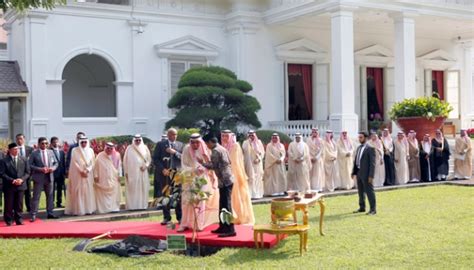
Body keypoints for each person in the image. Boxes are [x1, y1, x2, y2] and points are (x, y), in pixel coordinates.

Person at [179, 133, 219, 232]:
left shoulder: (205, 149)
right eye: (193, 143)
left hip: (203, 178)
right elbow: (183, 165)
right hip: (189, 178)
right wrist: (193, 170)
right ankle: (184, 223)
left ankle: (199, 223)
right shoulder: (186, 149)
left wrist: (203, 168)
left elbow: (210, 164)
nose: (195, 145)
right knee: (186, 201)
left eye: (197, 143)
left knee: (201, 199)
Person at [201, 134, 236, 238]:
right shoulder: (222, 148)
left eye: (206, 143)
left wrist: (202, 163)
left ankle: (230, 229)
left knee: (226, 206)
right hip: (227, 179)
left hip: (224, 181)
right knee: (222, 205)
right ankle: (222, 226)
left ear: (210, 142)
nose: (207, 146)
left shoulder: (215, 151)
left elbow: (213, 165)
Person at [221, 130, 254, 225]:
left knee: (236, 194)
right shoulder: (222, 147)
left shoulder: (235, 146)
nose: (224, 138)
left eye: (226, 136)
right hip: (225, 174)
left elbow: (235, 161)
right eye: (223, 136)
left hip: (234, 174)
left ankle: (238, 216)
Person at [153, 128, 184, 225]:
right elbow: (155, 159)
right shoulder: (161, 144)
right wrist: (163, 169)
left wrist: (174, 152)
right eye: (172, 134)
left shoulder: (180, 145)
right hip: (165, 174)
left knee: (178, 195)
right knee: (166, 195)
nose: (174, 136)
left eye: (175, 135)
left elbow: (184, 157)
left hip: (177, 174)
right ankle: (166, 217)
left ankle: (180, 217)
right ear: (168, 135)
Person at [29, 137, 58, 222]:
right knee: (36, 197)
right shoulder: (34, 153)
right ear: (38, 144)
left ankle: (50, 213)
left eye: (46, 143)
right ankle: (33, 214)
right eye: (42, 143)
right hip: (39, 178)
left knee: (50, 196)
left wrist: (52, 168)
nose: (44, 145)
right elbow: (29, 165)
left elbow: (56, 163)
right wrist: (40, 169)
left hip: (49, 177)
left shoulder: (51, 152)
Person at [65, 136, 96, 216]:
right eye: (82, 142)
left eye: (85, 142)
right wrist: (81, 171)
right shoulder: (75, 150)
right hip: (78, 174)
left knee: (88, 191)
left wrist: (88, 170)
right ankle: (79, 210)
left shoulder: (90, 150)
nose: (84, 144)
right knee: (79, 191)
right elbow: (74, 162)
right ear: (79, 142)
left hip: (88, 175)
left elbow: (93, 162)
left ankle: (88, 209)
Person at [0, 143, 30, 226]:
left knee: (19, 204)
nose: (16, 150)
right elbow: (2, 173)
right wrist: (12, 180)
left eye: (17, 149)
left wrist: (22, 179)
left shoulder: (24, 159)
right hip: (9, 186)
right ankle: (9, 220)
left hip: (21, 185)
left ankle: (19, 220)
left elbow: (28, 172)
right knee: (9, 204)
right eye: (14, 149)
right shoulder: (4, 161)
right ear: (10, 150)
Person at [123, 135, 152, 210]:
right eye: (136, 140)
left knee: (142, 189)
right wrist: (126, 172)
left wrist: (145, 166)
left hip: (143, 172)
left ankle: (142, 206)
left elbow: (149, 159)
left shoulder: (145, 148)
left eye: (139, 140)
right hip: (132, 174)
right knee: (133, 189)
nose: (138, 142)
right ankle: (133, 207)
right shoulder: (129, 148)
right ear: (134, 140)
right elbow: (125, 161)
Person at [352, 132, 376, 215]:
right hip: (359, 172)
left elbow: (372, 164)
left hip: (366, 174)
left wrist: (371, 175)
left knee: (369, 191)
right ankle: (362, 207)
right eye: (359, 137)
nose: (359, 139)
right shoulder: (358, 148)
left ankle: (373, 209)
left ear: (366, 138)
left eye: (361, 137)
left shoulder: (370, 148)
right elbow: (356, 160)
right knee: (360, 191)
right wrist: (354, 172)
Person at [94, 142, 122, 214]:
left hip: (113, 178)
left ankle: (114, 208)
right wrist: (96, 175)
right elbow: (96, 167)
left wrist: (120, 175)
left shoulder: (116, 155)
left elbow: (119, 166)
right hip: (103, 178)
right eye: (107, 148)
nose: (109, 150)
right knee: (103, 194)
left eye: (111, 148)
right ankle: (104, 208)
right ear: (105, 148)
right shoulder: (100, 156)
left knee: (114, 194)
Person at [242, 130, 265, 199]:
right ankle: (250, 194)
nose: (251, 137)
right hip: (249, 164)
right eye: (250, 135)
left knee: (258, 178)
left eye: (252, 135)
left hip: (257, 164)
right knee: (250, 178)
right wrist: (249, 143)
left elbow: (262, 152)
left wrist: (259, 159)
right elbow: (244, 151)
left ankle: (257, 194)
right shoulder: (245, 143)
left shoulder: (259, 142)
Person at [16, 133, 33, 212]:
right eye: (18, 139)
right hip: (18, 174)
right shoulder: (14, 149)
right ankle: (19, 209)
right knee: (19, 193)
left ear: (24, 139)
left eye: (21, 139)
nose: (19, 140)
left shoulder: (30, 149)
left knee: (28, 192)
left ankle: (29, 207)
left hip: (27, 174)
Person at [50, 136, 66, 208]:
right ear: (51, 143)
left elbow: (63, 163)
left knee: (60, 189)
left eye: (57, 142)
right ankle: (51, 203)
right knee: (52, 190)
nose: (56, 143)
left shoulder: (61, 152)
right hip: (53, 173)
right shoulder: (49, 151)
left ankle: (59, 203)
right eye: (54, 142)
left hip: (60, 174)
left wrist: (64, 172)